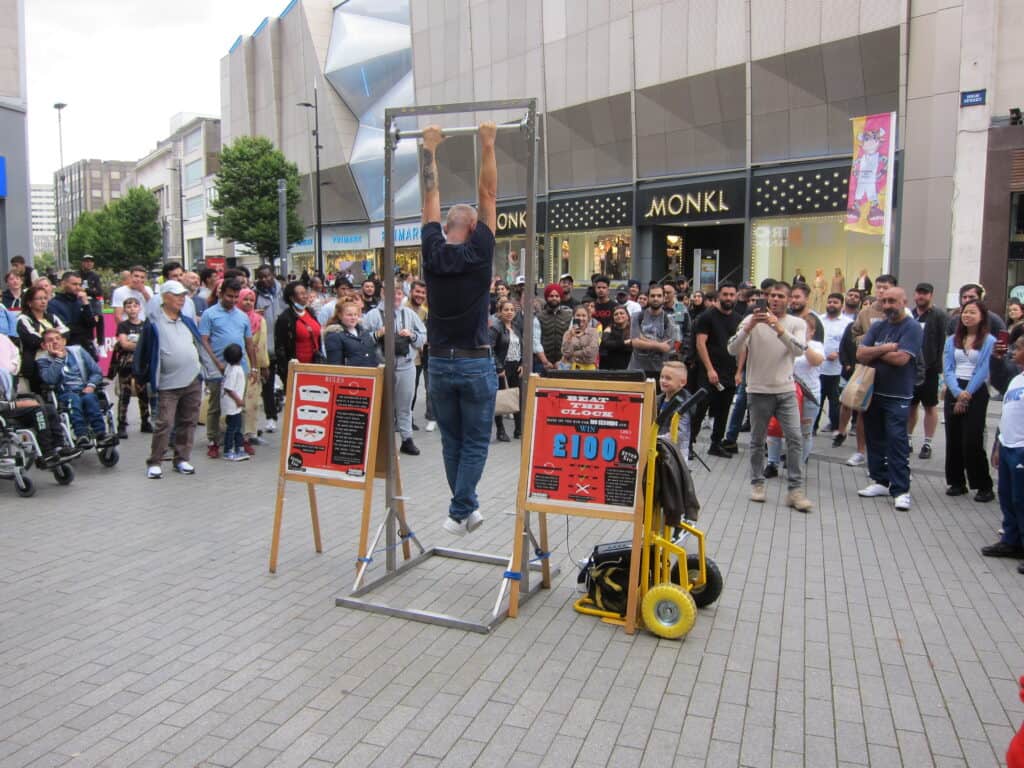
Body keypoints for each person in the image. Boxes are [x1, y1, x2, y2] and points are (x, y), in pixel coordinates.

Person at [420, 121, 499, 535]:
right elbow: (489, 194)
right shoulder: (480, 252)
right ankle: (459, 510)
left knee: (451, 440)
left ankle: (466, 508)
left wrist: (429, 148)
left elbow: (429, 197)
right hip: (472, 362)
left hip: (438, 363)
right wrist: (487, 143)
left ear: (447, 228)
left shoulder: (432, 251)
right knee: (474, 441)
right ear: (471, 228)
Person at [727, 281, 813, 511]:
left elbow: (799, 350)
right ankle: (757, 484)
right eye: (772, 295)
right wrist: (749, 327)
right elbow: (732, 349)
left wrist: (777, 327)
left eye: (780, 296)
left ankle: (795, 490)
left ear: (789, 300)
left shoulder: (797, 323)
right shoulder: (750, 320)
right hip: (758, 390)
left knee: (795, 438)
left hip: (786, 390)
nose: (775, 299)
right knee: (757, 440)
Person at [855, 287, 923, 511]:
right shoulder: (878, 326)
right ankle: (881, 481)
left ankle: (901, 490)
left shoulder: (912, 328)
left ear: (904, 302)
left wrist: (875, 351)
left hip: (898, 395)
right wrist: (886, 348)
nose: (887, 306)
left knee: (896, 441)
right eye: (884, 301)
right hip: (873, 392)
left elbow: (901, 359)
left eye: (892, 301)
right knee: (874, 438)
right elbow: (860, 354)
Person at [134, 280, 208, 479]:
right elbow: (142, 351)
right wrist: (140, 376)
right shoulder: (154, 324)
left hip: (192, 378)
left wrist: (204, 371)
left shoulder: (187, 321)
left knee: (189, 421)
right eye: (176, 295)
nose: (181, 299)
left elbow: (198, 345)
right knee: (165, 423)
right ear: (165, 297)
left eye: (183, 295)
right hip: (167, 382)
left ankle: (182, 458)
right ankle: (155, 461)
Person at [833, 274, 900, 465]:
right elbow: (855, 336)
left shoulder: (902, 313)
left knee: (891, 416)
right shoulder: (865, 313)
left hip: (892, 372)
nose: (881, 291)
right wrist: (871, 343)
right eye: (879, 287)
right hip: (868, 369)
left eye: (886, 287)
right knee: (863, 411)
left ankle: (889, 456)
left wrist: (878, 347)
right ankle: (861, 451)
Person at [942, 300, 995, 501]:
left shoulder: (989, 341)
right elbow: (947, 368)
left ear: (982, 317)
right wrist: (957, 392)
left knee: (972, 439)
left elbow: (983, 370)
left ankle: (983, 485)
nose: (967, 316)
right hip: (954, 389)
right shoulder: (951, 340)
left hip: (976, 391)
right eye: (965, 312)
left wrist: (967, 393)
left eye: (972, 312)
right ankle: (956, 482)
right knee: (953, 437)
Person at [363, 285, 426, 455]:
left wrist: (411, 335)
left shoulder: (409, 314)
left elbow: (423, 336)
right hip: (382, 367)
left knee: (405, 405)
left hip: (406, 366)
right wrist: (378, 334)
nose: (396, 297)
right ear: (383, 293)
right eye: (392, 293)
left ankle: (407, 439)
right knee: (383, 407)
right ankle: (382, 443)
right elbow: (362, 341)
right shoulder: (373, 315)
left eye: (399, 293)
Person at [200, 278, 257, 459]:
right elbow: (204, 340)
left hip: (240, 368)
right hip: (218, 368)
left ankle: (240, 439)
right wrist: (215, 362)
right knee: (215, 406)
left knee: (240, 405)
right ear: (221, 293)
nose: (232, 300)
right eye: (229, 296)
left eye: (235, 297)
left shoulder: (242, 316)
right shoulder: (209, 314)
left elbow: (249, 343)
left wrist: (254, 367)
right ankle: (213, 441)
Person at [981, 337, 1024, 566]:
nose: (1013, 352)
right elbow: (1007, 413)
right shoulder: (1017, 379)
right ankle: (1011, 541)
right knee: (1008, 497)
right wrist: (998, 444)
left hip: (1021, 449)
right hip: (1008, 445)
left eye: (1018, 349)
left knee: (1022, 500)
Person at [765, 314, 824, 474]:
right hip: (784, 392)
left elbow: (816, 361)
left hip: (808, 395)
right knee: (775, 429)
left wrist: (802, 344)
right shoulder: (784, 343)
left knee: (804, 433)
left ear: (812, 331)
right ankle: (772, 463)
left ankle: (796, 465)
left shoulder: (816, 345)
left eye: (805, 329)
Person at [35, 328, 113, 448]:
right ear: (44, 346)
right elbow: (50, 379)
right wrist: (59, 359)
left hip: (84, 389)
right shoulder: (42, 360)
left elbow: (96, 372)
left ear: (64, 341)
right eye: (50, 340)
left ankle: (101, 434)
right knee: (73, 399)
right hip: (65, 393)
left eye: (57, 339)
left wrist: (91, 385)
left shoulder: (78, 351)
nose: (55, 342)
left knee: (90, 398)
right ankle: (81, 435)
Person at [692, 282, 740, 457]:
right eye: (725, 294)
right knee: (700, 408)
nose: (728, 298)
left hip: (729, 372)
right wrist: (710, 370)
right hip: (708, 372)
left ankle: (716, 444)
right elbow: (700, 343)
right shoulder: (707, 316)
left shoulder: (738, 319)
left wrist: (739, 372)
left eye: (731, 295)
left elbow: (742, 346)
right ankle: (688, 444)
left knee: (723, 410)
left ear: (736, 296)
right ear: (719, 295)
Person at [908, 282, 946, 459]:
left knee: (930, 406)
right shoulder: (910, 314)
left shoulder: (939, 315)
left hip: (930, 369)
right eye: (919, 293)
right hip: (910, 368)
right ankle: (907, 440)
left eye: (925, 293)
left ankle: (927, 443)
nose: (921, 296)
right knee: (910, 405)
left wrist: (939, 367)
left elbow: (943, 342)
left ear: (931, 295)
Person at [17, 285, 69, 394]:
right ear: (29, 302)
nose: (43, 301)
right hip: (36, 359)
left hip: (57, 356)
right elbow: (32, 340)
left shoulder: (52, 317)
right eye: (39, 298)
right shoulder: (23, 319)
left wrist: (49, 339)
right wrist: (54, 337)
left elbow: (66, 332)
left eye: (45, 298)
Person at [274, 280, 322, 395]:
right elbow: (280, 346)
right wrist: (286, 369)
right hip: (297, 367)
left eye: (305, 292)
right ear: (292, 298)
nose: (305, 296)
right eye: (301, 293)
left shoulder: (310, 312)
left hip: (314, 363)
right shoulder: (285, 318)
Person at [112, 296, 151, 438]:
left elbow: (149, 343)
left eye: (135, 306)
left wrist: (135, 345)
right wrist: (140, 346)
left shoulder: (145, 325)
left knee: (143, 394)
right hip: (126, 364)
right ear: (125, 310)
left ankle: (145, 421)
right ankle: (122, 424)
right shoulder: (123, 325)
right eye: (128, 307)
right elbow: (124, 344)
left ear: (139, 308)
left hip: (141, 364)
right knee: (125, 395)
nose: (132, 309)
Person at [254, 265, 285, 432]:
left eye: (267, 276)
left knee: (289, 380)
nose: (265, 279)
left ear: (273, 275)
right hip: (266, 347)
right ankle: (270, 416)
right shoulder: (255, 295)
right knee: (267, 383)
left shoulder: (283, 292)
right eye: (261, 277)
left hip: (283, 345)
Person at [238, 288, 270, 449]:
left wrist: (263, 366)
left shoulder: (259, 320)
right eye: (245, 299)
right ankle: (232, 433)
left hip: (253, 365)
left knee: (252, 401)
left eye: (251, 300)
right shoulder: (234, 318)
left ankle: (250, 433)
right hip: (236, 365)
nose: (248, 303)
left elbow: (262, 345)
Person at [817, 292, 852, 433]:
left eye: (835, 302)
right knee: (817, 399)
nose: (831, 305)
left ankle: (836, 426)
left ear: (841, 305)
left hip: (837, 369)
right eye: (829, 302)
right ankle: (813, 427)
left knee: (835, 400)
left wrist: (838, 353)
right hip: (819, 367)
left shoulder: (847, 323)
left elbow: (849, 344)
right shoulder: (819, 320)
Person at [628, 283, 677, 385]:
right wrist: (658, 345)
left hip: (660, 370)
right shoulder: (637, 316)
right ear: (648, 297)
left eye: (659, 296)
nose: (656, 299)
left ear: (664, 298)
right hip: (637, 369)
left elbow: (666, 347)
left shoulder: (669, 319)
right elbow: (635, 342)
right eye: (653, 296)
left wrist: (643, 338)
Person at [489, 299, 523, 441]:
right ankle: (501, 431)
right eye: (506, 310)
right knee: (501, 399)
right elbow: (490, 349)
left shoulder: (516, 328)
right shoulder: (496, 328)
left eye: (512, 310)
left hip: (516, 367)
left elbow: (521, 347)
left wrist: (522, 363)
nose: (509, 312)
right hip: (502, 368)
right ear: (500, 311)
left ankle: (519, 429)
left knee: (517, 398)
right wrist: (498, 367)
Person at [406, 279, 434, 431]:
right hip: (408, 357)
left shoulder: (424, 311)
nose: (420, 295)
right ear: (411, 292)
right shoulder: (403, 309)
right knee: (409, 390)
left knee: (420, 389)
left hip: (423, 356)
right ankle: (405, 419)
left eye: (423, 293)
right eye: (417, 291)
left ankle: (411, 419)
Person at [48, 271, 96, 357]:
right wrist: (82, 328)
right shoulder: (54, 303)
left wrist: (86, 304)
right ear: (63, 284)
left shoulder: (81, 301)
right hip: (67, 348)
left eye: (79, 284)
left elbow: (91, 324)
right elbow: (64, 328)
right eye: (74, 284)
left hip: (85, 347)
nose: (78, 287)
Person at [657, 360, 693, 466]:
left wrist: (656, 438)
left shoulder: (684, 404)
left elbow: (680, 433)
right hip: (661, 448)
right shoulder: (659, 399)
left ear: (682, 382)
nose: (663, 381)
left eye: (668, 378)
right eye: (662, 377)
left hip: (676, 453)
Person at [324, 298, 377, 366]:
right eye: (349, 315)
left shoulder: (364, 332)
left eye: (355, 314)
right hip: (350, 372)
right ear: (340, 316)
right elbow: (335, 365)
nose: (353, 318)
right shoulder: (334, 335)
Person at [219, 343, 248, 462]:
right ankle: (228, 450)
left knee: (238, 426)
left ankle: (239, 447)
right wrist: (238, 400)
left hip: (234, 406)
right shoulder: (235, 370)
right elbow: (228, 388)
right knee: (232, 428)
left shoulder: (230, 367)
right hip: (233, 405)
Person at [538, 283, 573, 368]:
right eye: (551, 296)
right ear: (546, 297)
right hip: (542, 363)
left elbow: (572, 340)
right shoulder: (539, 317)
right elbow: (536, 341)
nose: (554, 298)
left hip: (564, 362)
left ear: (560, 298)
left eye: (557, 296)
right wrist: (545, 361)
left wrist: (562, 361)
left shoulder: (569, 316)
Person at [78, 255, 106, 353]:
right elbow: (77, 289)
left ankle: (101, 343)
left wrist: (86, 290)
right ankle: (91, 340)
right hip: (80, 300)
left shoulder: (95, 276)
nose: (89, 263)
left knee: (99, 317)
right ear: (82, 263)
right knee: (87, 320)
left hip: (93, 301)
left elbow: (99, 292)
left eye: (91, 261)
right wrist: (91, 290)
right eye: (86, 261)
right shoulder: (77, 274)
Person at [561, 305, 600, 370]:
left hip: (589, 369)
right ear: (574, 317)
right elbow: (566, 353)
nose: (581, 318)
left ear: (588, 318)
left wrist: (573, 353)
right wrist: (570, 337)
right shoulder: (568, 333)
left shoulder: (594, 332)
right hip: (571, 369)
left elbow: (591, 352)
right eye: (578, 315)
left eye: (584, 316)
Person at [599, 306, 632, 370]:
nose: (619, 316)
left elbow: (634, 345)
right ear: (613, 318)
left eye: (621, 313)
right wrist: (624, 343)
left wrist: (616, 345)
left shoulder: (633, 329)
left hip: (629, 366)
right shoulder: (608, 329)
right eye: (616, 314)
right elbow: (606, 344)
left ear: (627, 316)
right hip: (611, 367)